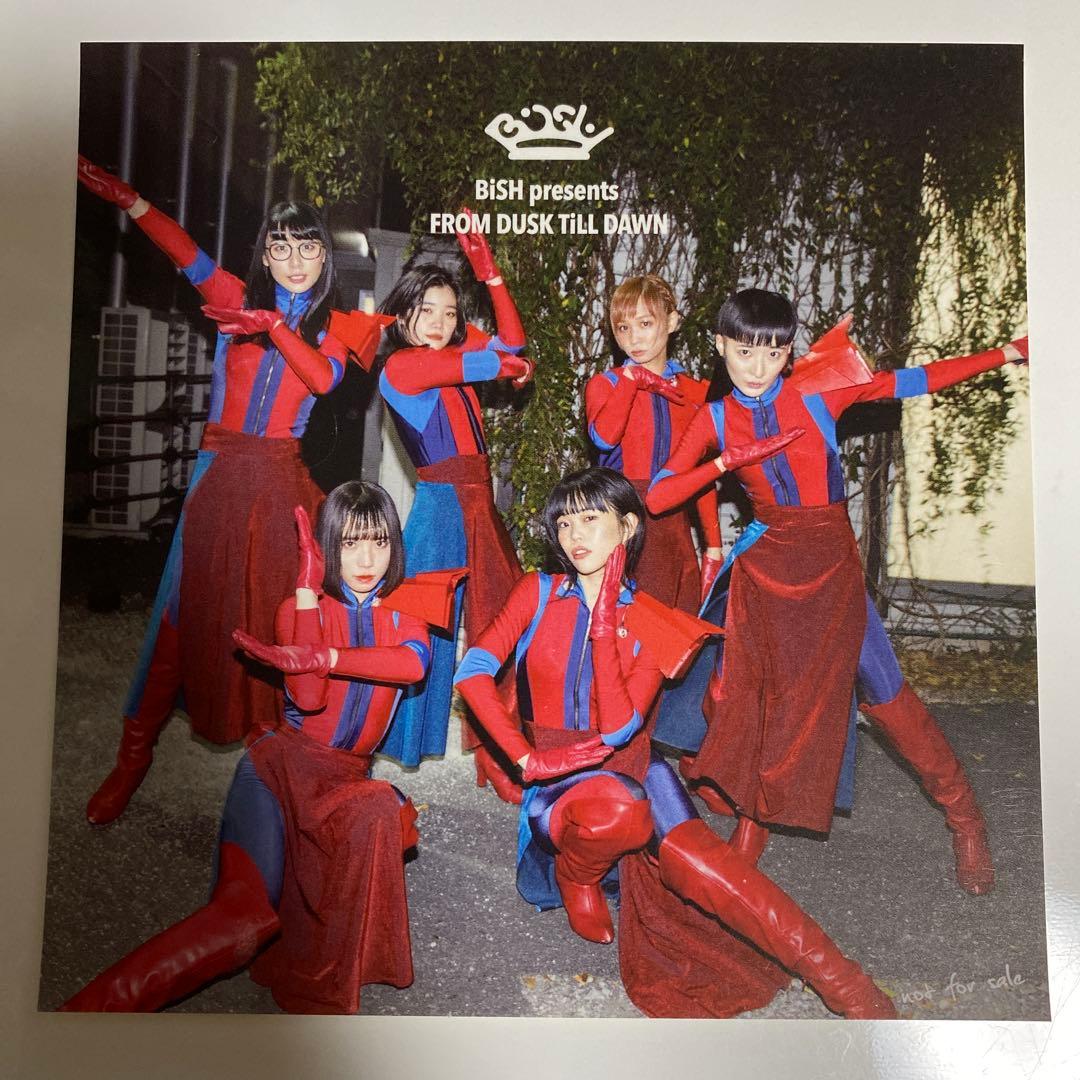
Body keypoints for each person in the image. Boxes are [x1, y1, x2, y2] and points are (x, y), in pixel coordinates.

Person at [453, 467, 895, 1019]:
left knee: (708, 865)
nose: (574, 534)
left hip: (636, 766)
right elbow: (473, 671)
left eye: (590, 518)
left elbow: (620, 729)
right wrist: (527, 758)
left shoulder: (652, 618)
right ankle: (575, 875)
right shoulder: (536, 592)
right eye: (564, 523)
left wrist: (606, 619)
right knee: (618, 810)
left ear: (628, 526)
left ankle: (845, 984)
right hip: (561, 782)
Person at [647, 288, 1028, 892]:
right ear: (719, 346)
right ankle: (753, 823)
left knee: (886, 691)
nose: (757, 367)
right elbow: (657, 496)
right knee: (761, 696)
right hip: (767, 567)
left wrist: (1006, 353)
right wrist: (724, 463)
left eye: (773, 354)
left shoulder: (816, 392)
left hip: (830, 567)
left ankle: (965, 816)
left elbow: (914, 381)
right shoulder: (714, 418)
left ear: (789, 351)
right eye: (743, 352)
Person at [61, 482, 462, 1014]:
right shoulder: (297, 607)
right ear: (327, 546)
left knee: (382, 808)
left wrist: (326, 656)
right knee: (242, 920)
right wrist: (306, 594)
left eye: (379, 541)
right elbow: (309, 698)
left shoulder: (405, 610)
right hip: (276, 774)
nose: (367, 560)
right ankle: (83, 1016)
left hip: (343, 783)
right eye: (349, 543)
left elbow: (413, 664)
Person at [75, 156, 387, 826]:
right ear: (265, 255)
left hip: (278, 485)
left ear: (324, 256)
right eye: (281, 246)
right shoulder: (234, 297)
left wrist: (273, 326)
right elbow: (184, 252)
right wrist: (131, 200)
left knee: (278, 625)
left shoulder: (342, 326)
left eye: (308, 246)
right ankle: (133, 757)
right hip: (217, 479)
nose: (295, 260)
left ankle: (275, 778)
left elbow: (323, 380)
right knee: (176, 622)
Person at [360, 216, 533, 802]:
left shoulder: (451, 352)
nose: (440, 322)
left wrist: (490, 273)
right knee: (420, 635)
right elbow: (495, 361)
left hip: (478, 504)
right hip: (440, 506)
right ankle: (375, 741)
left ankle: (495, 754)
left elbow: (512, 343)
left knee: (497, 629)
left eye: (451, 312)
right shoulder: (402, 366)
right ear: (401, 315)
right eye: (426, 310)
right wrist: (506, 365)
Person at [585, 275, 723, 613]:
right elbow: (604, 437)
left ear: (672, 321)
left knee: (683, 632)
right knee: (629, 631)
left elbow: (702, 473)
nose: (634, 338)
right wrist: (632, 380)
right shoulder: (606, 384)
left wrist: (713, 547)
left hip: (676, 530)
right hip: (622, 522)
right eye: (623, 328)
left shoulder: (695, 392)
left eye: (645, 323)